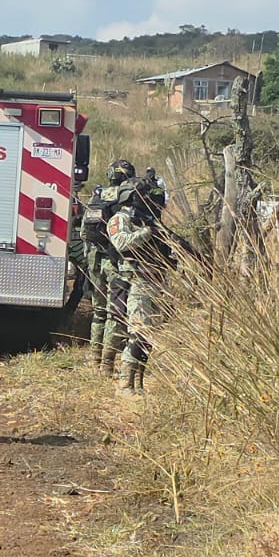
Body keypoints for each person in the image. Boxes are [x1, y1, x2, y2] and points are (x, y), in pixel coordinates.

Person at [106, 176, 172, 395]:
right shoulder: (120, 219)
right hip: (136, 281)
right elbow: (121, 242)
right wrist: (148, 232)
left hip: (155, 281)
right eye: (143, 194)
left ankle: (138, 383)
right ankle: (124, 384)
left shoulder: (147, 219)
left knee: (150, 335)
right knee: (138, 332)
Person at [85, 160, 134, 374]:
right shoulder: (125, 197)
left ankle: (94, 359)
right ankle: (106, 364)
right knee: (116, 313)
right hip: (115, 262)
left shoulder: (97, 195)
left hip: (94, 260)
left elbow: (83, 232)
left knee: (98, 312)